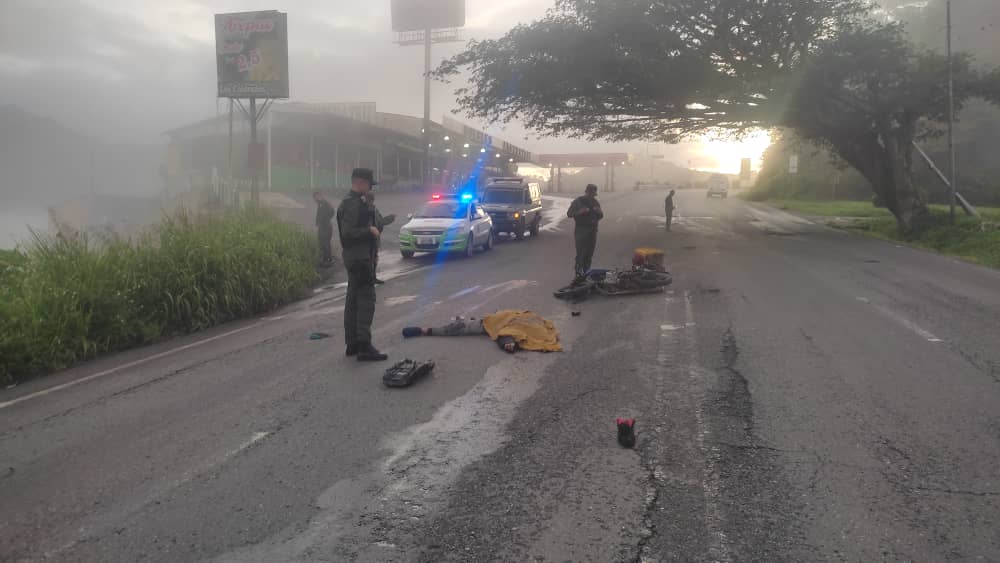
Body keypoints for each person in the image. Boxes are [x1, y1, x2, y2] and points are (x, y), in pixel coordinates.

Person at [336, 168, 388, 362]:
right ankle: (364, 346)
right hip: (360, 258)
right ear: (360, 183)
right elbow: (348, 233)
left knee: (353, 301)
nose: (369, 189)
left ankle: (353, 344)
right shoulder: (352, 204)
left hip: (355, 258)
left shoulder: (356, 203)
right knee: (366, 301)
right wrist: (370, 231)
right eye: (368, 185)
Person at [401, 310, 563, 353]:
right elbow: (506, 334)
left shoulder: (536, 322)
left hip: (495, 321)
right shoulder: (534, 323)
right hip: (496, 321)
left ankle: (422, 330)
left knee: (463, 326)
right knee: (462, 326)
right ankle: (423, 330)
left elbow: (506, 334)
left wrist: (508, 344)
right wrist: (508, 343)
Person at [567, 183, 604, 283]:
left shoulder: (595, 202)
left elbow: (601, 216)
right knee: (581, 254)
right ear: (587, 192)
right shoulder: (578, 201)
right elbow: (569, 214)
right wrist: (580, 212)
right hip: (581, 231)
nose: (592, 196)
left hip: (593, 230)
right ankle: (578, 275)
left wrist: (598, 212)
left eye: (593, 194)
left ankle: (586, 274)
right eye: (591, 194)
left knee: (589, 254)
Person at [365, 192, 395, 285]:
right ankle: (371, 278)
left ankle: (371, 278)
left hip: (370, 239)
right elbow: (380, 222)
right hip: (370, 239)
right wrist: (390, 218)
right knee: (371, 259)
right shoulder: (371, 210)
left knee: (372, 259)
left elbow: (379, 222)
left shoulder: (371, 209)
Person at [314, 191, 335, 265]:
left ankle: (329, 260)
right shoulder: (320, 204)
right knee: (322, 243)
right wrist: (318, 222)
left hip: (326, 227)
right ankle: (324, 259)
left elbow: (332, 211)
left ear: (320, 196)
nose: (315, 199)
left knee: (325, 243)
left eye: (316, 197)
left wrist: (325, 220)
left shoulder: (325, 203)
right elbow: (319, 214)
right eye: (314, 198)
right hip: (323, 227)